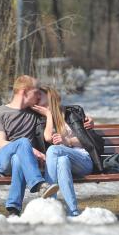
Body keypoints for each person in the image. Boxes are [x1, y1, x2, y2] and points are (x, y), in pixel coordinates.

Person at [0, 75, 59, 217]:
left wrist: (85, 119)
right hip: (2, 160)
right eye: (36, 91)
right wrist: (30, 149)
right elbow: (1, 143)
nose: (39, 95)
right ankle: (39, 184)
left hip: (21, 161)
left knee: (18, 159)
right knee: (23, 142)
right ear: (24, 91)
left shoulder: (33, 113)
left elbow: (62, 111)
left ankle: (13, 208)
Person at [31, 86, 104, 216]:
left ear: (49, 97)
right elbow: (48, 138)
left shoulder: (74, 112)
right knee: (62, 160)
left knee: (54, 150)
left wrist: (68, 141)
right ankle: (73, 211)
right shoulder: (41, 118)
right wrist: (48, 115)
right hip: (65, 161)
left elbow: (89, 140)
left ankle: (49, 203)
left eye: (39, 96)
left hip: (84, 159)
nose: (36, 98)